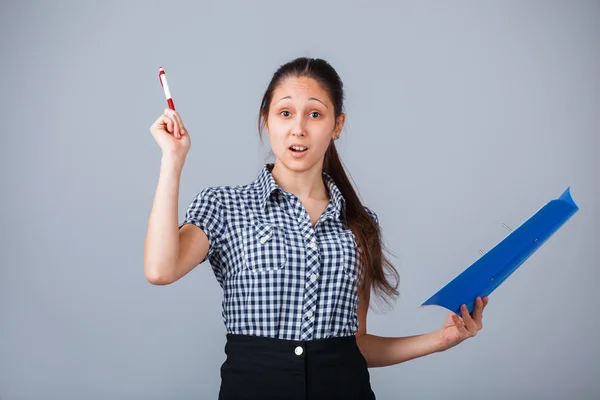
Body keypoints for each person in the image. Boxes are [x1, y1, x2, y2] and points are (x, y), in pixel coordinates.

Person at [144, 57, 489, 399]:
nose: (298, 128)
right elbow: (160, 270)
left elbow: (357, 345)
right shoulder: (224, 206)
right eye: (285, 113)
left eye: (314, 114)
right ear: (266, 120)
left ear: (337, 125)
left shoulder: (360, 224)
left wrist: (442, 340)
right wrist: (172, 160)